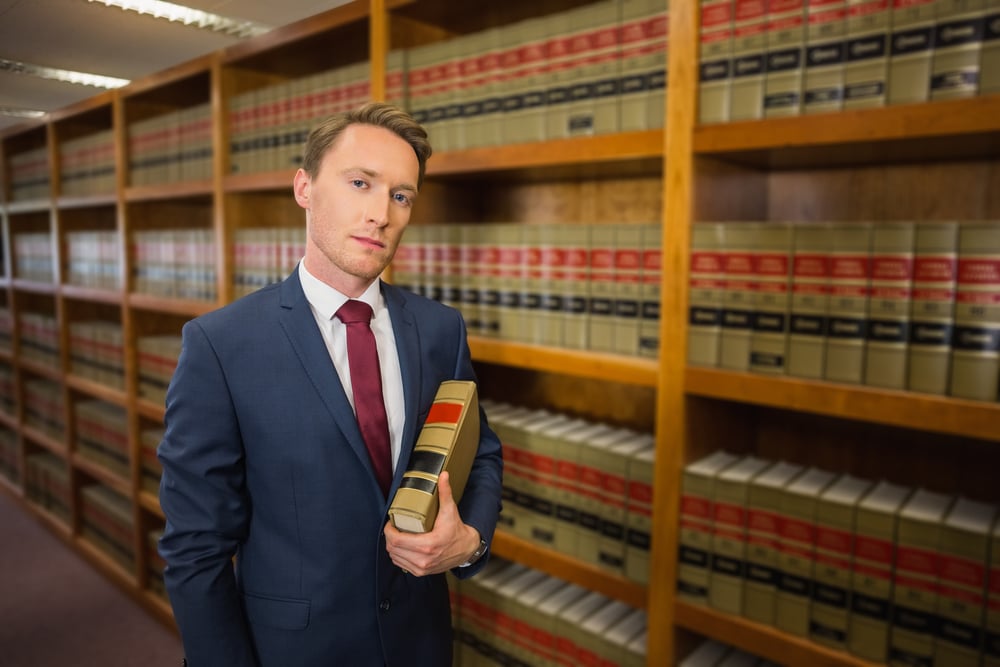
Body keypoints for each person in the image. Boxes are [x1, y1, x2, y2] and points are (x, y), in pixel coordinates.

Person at [157, 102, 504, 666]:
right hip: (294, 649)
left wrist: (471, 540)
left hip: (421, 641)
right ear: (305, 188)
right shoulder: (220, 346)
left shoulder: (441, 329)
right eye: (360, 182)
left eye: (400, 195)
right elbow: (195, 551)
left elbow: (480, 452)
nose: (380, 214)